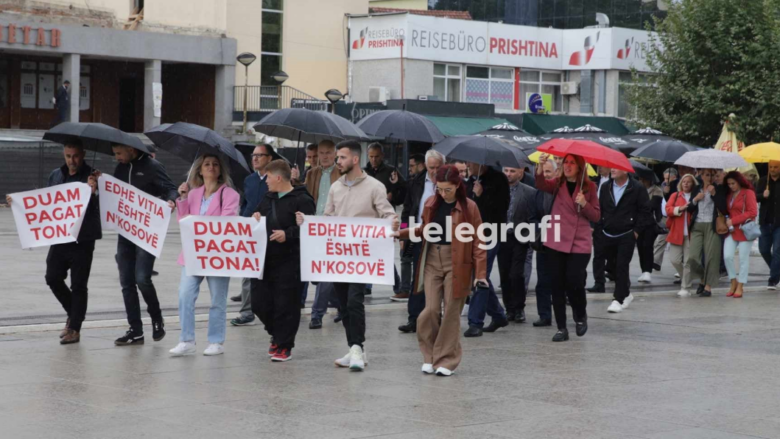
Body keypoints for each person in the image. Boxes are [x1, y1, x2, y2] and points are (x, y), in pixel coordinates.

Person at [297, 140, 398, 371]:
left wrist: (392, 222)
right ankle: (355, 349)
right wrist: (307, 222)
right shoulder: (336, 187)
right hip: (339, 256)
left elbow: (387, 214)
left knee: (355, 301)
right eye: (337, 157)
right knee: (343, 305)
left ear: (354, 159)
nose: (337, 161)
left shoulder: (374, 186)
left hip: (363, 256)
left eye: (341, 157)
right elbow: (327, 218)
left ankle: (356, 347)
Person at [6, 141, 101, 344]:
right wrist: (18, 202)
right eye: (68, 156)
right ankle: (74, 313)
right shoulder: (56, 174)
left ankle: (74, 328)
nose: (71, 161)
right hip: (60, 236)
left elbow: (102, 206)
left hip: (82, 239)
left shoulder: (94, 176)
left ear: (83, 154)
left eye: (75, 156)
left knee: (78, 285)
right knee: (52, 277)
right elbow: (45, 201)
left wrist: (94, 192)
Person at [397, 165, 487, 377]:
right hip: (431, 260)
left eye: (447, 189)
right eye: (439, 189)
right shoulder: (431, 203)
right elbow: (423, 230)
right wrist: (399, 233)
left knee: (451, 312)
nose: (443, 193)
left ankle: (446, 359)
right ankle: (429, 356)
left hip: (458, 262)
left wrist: (480, 275)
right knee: (429, 311)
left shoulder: (470, 207)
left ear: (458, 186)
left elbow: (479, 241)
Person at [107, 143, 178, 346]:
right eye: (114, 154)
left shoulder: (153, 166)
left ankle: (157, 318)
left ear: (131, 150)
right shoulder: (120, 168)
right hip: (125, 230)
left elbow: (171, 188)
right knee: (126, 281)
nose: (117, 157)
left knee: (142, 279)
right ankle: (135, 330)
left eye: (119, 153)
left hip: (146, 230)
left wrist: (171, 201)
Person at [169, 154, 239, 357]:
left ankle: (216, 341)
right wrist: (182, 199)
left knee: (218, 298)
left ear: (220, 170)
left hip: (217, 254)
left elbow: (227, 222)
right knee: (185, 295)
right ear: (199, 170)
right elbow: (184, 222)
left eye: (215, 164)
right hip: (194, 253)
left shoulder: (229, 194)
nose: (211, 167)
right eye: (206, 164)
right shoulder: (193, 194)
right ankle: (186, 339)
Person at [251, 160, 316, 362]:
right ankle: (275, 333)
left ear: (278, 177)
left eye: (268, 177)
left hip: (290, 260)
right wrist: (255, 216)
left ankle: (284, 344)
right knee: (259, 303)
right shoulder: (268, 196)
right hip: (265, 259)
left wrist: (288, 234)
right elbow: (258, 215)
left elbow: (311, 228)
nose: (266, 182)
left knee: (286, 304)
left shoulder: (302, 199)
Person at [536, 153, 600, 342]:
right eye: (566, 162)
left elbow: (596, 216)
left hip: (579, 241)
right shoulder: (557, 183)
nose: (568, 166)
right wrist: (540, 167)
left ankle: (580, 315)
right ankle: (561, 327)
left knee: (574, 280)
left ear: (580, 167)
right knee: (556, 284)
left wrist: (585, 204)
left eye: (572, 163)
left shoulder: (590, 187)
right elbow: (540, 184)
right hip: (556, 239)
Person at [397, 150, 444, 333]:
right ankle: (414, 318)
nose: (434, 171)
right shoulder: (416, 182)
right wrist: (403, 233)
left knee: (438, 279)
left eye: (437, 167)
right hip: (418, 236)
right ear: (425, 166)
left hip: (441, 238)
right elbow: (408, 209)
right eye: (431, 167)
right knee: (418, 278)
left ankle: (435, 318)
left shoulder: (448, 183)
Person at [464, 161, 510, 337]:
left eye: (471, 162)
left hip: (491, 233)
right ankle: (498, 315)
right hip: (469, 234)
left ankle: (475, 321)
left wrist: (482, 195)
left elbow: (501, 209)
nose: (468, 165)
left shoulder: (498, 179)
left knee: (480, 275)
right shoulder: (470, 181)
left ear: (480, 163)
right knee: (478, 275)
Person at [230, 145, 273, 326]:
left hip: (269, 231)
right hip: (249, 232)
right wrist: (241, 222)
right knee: (248, 272)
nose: (254, 159)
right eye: (253, 155)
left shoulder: (275, 179)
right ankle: (247, 312)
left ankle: (269, 309)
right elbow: (245, 203)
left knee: (268, 273)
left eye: (259, 155)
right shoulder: (248, 180)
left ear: (269, 158)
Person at [601, 168, 652, 313]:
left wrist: (636, 231)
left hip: (627, 233)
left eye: (616, 167)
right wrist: (600, 227)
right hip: (608, 232)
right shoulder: (606, 186)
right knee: (612, 266)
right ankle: (626, 293)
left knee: (622, 265)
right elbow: (602, 208)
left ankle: (617, 299)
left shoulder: (637, 187)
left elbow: (645, 210)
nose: (612, 169)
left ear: (625, 169)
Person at [303, 139, 341, 330]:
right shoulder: (311, 174)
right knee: (322, 273)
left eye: (328, 153)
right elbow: (304, 197)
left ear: (334, 154)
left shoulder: (342, 173)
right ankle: (341, 307)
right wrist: (295, 182)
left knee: (325, 272)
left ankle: (317, 313)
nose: (324, 157)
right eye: (321, 153)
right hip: (314, 229)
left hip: (335, 230)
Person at [498, 165, 536, 323]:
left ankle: (519, 307)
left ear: (521, 172)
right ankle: (509, 308)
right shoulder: (497, 190)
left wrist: (530, 235)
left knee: (516, 273)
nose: (508, 174)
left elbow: (533, 215)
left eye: (512, 171)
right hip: (501, 236)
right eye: (506, 170)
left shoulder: (529, 191)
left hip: (520, 237)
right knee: (504, 274)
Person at [528, 159, 557, 327]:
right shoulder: (536, 193)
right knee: (542, 281)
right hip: (543, 242)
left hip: (560, 242)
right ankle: (544, 315)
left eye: (548, 172)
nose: (545, 175)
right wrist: (540, 227)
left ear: (555, 173)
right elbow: (532, 217)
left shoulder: (560, 192)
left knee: (560, 280)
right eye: (543, 172)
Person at [723, 171, 758, 298]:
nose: (731, 186)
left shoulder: (748, 193)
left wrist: (734, 220)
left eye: (733, 183)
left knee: (743, 258)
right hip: (731, 230)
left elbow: (753, 212)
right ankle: (733, 281)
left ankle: (741, 285)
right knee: (727, 256)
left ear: (739, 181)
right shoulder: (729, 194)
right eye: (729, 184)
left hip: (745, 230)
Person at [687, 169, 721, 297]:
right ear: (702, 175)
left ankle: (708, 286)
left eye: (713, 175)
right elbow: (690, 207)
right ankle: (702, 278)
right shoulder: (697, 188)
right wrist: (695, 199)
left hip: (713, 225)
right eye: (707, 175)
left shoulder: (719, 188)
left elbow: (723, 207)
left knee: (712, 256)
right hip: (697, 225)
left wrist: (714, 194)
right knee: (693, 256)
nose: (710, 177)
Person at [665, 174, 698, 297]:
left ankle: (686, 287)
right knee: (675, 259)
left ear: (692, 184)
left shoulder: (696, 197)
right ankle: (687, 277)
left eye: (689, 182)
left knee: (688, 262)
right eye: (684, 181)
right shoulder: (675, 195)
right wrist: (680, 208)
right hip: (676, 233)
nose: (686, 183)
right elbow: (667, 209)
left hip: (691, 234)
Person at [588, 166, 614, 293]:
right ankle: (599, 282)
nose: (599, 168)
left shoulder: (614, 182)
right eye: (598, 166)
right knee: (598, 254)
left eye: (602, 166)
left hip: (610, 222)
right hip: (597, 221)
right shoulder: (595, 181)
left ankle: (613, 272)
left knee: (612, 253)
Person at [756, 160, 780, 290]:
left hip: (779, 223)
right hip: (765, 221)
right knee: (764, 250)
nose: (773, 169)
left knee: (777, 251)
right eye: (771, 167)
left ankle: (773, 280)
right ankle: (777, 272)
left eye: (776, 167)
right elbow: (754, 197)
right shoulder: (763, 181)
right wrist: (762, 195)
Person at [636, 175, 664, 284]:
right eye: (640, 178)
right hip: (638, 222)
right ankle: (643, 270)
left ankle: (647, 271)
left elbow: (651, 206)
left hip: (651, 223)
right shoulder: (637, 189)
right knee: (640, 246)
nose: (641, 180)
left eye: (644, 178)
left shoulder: (657, 191)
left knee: (647, 246)